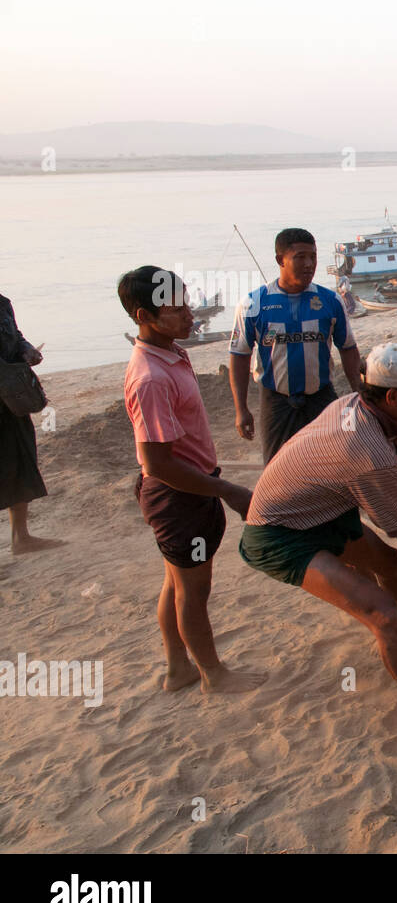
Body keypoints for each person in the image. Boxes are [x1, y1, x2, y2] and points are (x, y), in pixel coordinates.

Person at [238, 342, 397, 744]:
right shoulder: (364, 448)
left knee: (389, 563)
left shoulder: (360, 406)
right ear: (392, 397)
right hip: (280, 533)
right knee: (383, 615)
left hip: (320, 509)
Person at [118, 267, 264, 694]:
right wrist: (228, 490)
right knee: (193, 590)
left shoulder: (170, 352)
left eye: (188, 303)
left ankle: (177, 667)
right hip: (180, 497)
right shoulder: (150, 377)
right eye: (176, 309)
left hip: (190, 489)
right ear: (144, 314)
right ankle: (213, 674)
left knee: (176, 581)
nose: (190, 314)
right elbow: (158, 463)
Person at [228, 228, 362, 463]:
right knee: (278, 469)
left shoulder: (330, 301)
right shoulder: (253, 303)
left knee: (332, 465)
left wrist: (359, 392)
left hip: (321, 398)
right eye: (300, 257)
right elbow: (240, 356)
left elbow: (348, 349)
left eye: (313, 256)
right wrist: (241, 408)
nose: (309, 264)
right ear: (281, 260)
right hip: (276, 401)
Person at [0, 292, 62, 554]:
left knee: (21, 459)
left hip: (11, 398)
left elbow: (16, 335)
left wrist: (27, 350)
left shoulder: (2, 303)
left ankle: (21, 537)